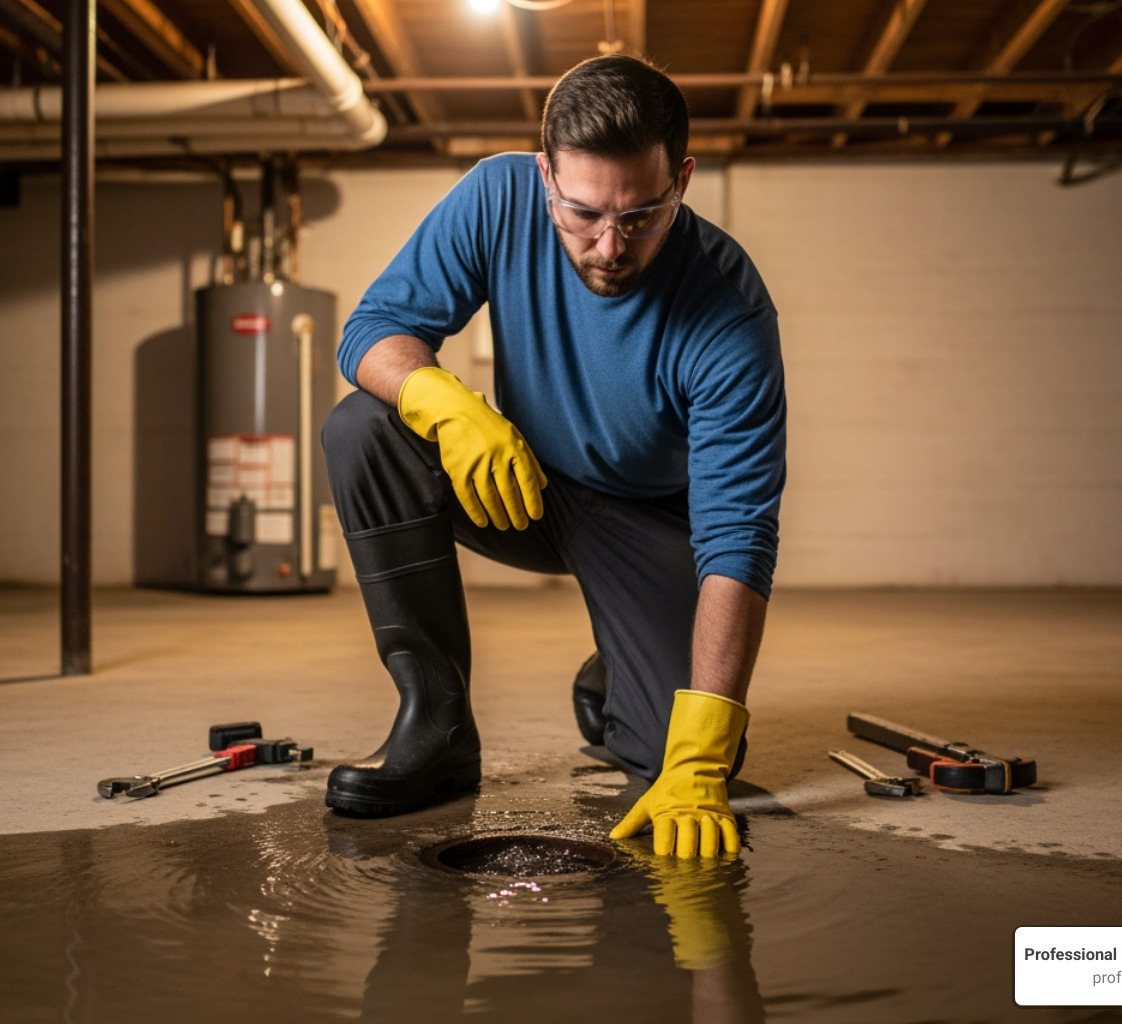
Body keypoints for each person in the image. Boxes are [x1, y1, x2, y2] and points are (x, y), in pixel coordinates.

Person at [320, 54, 785, 860]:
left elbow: (737, 540)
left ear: (683, 178)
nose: (610, 245)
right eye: (582, 213)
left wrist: (702, 752)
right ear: (545, 176)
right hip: (517, 480)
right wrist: (449, 403)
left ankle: (613, 672)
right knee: (363, 427)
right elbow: (372, 330)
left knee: (678, 756)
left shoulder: (728, 309)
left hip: (644, 523)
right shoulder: (498, 196)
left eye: (642, 214)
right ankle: (435, 723)